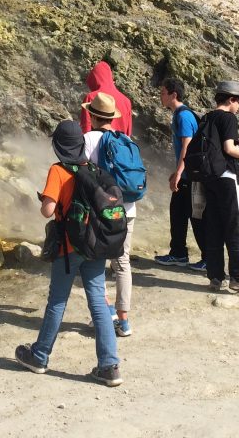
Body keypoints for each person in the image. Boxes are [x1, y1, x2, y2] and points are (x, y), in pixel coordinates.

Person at [15, 119, 123, 386]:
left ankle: (39, 356)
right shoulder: (93, 169)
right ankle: (109, 366)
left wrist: (45, 199)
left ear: (59, 146)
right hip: (94, 245)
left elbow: (48, 211)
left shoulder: (58, 170)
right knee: (98, 302)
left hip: (68, 247)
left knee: (57, 301)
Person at [202, 80, 239, 298]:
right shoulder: (228, 118)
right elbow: (229, 149)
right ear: (231, 99)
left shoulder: (207, 117)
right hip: (228, 177)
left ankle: (215, 276)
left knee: (214, 226)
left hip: (210, 178)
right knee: (236, 227)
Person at [82, 93, 135, 337]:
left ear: (92, 116)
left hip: (101, 211)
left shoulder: (87, 139)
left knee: (96, 262)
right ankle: (123, 321)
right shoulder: (125, 139)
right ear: (112, 118)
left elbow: (80, 175)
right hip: (128, 209)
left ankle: (103, 316)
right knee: (122, 263)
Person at [155, 77, 206, 270]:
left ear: (173, 95)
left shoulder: (183, 116)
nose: (160, 96)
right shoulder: (181, 114)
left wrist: (178, 173)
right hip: (188, 175)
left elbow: (187, 146)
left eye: (163, 93)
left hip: (190, 177)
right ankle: (179, 254)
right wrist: (176, 172)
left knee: (195, 217)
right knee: (178, 213)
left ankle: (207, 258)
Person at [79, 61, 133, 137]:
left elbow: (85, 129)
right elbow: (128, 133)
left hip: (97, 143)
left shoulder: (92, 97)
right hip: (119, 143)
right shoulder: (126, 101)